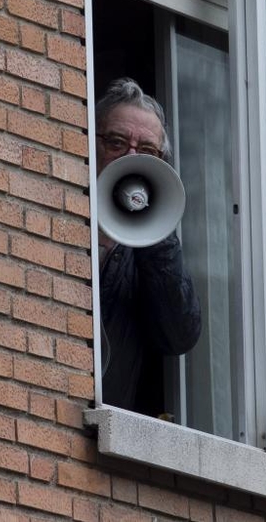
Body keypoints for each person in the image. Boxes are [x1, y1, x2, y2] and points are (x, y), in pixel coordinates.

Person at [95, 77, 201, 416]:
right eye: (116, 142)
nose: (130, 157)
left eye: (147, 152)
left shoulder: (150, 250)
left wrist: (154, 227)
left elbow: (179, 335)